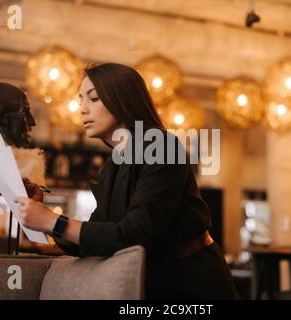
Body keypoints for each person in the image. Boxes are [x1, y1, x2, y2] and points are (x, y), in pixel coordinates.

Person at [15, 62, 239, 299]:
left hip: (192, 284)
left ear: (123, 99)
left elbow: (135, 234)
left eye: (93, 99)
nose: (82, 109)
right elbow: (99, 236)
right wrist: (44, 213)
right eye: (80, 100)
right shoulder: (114, 163)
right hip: (152, 281)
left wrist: (53, 222)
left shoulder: (161, 146)